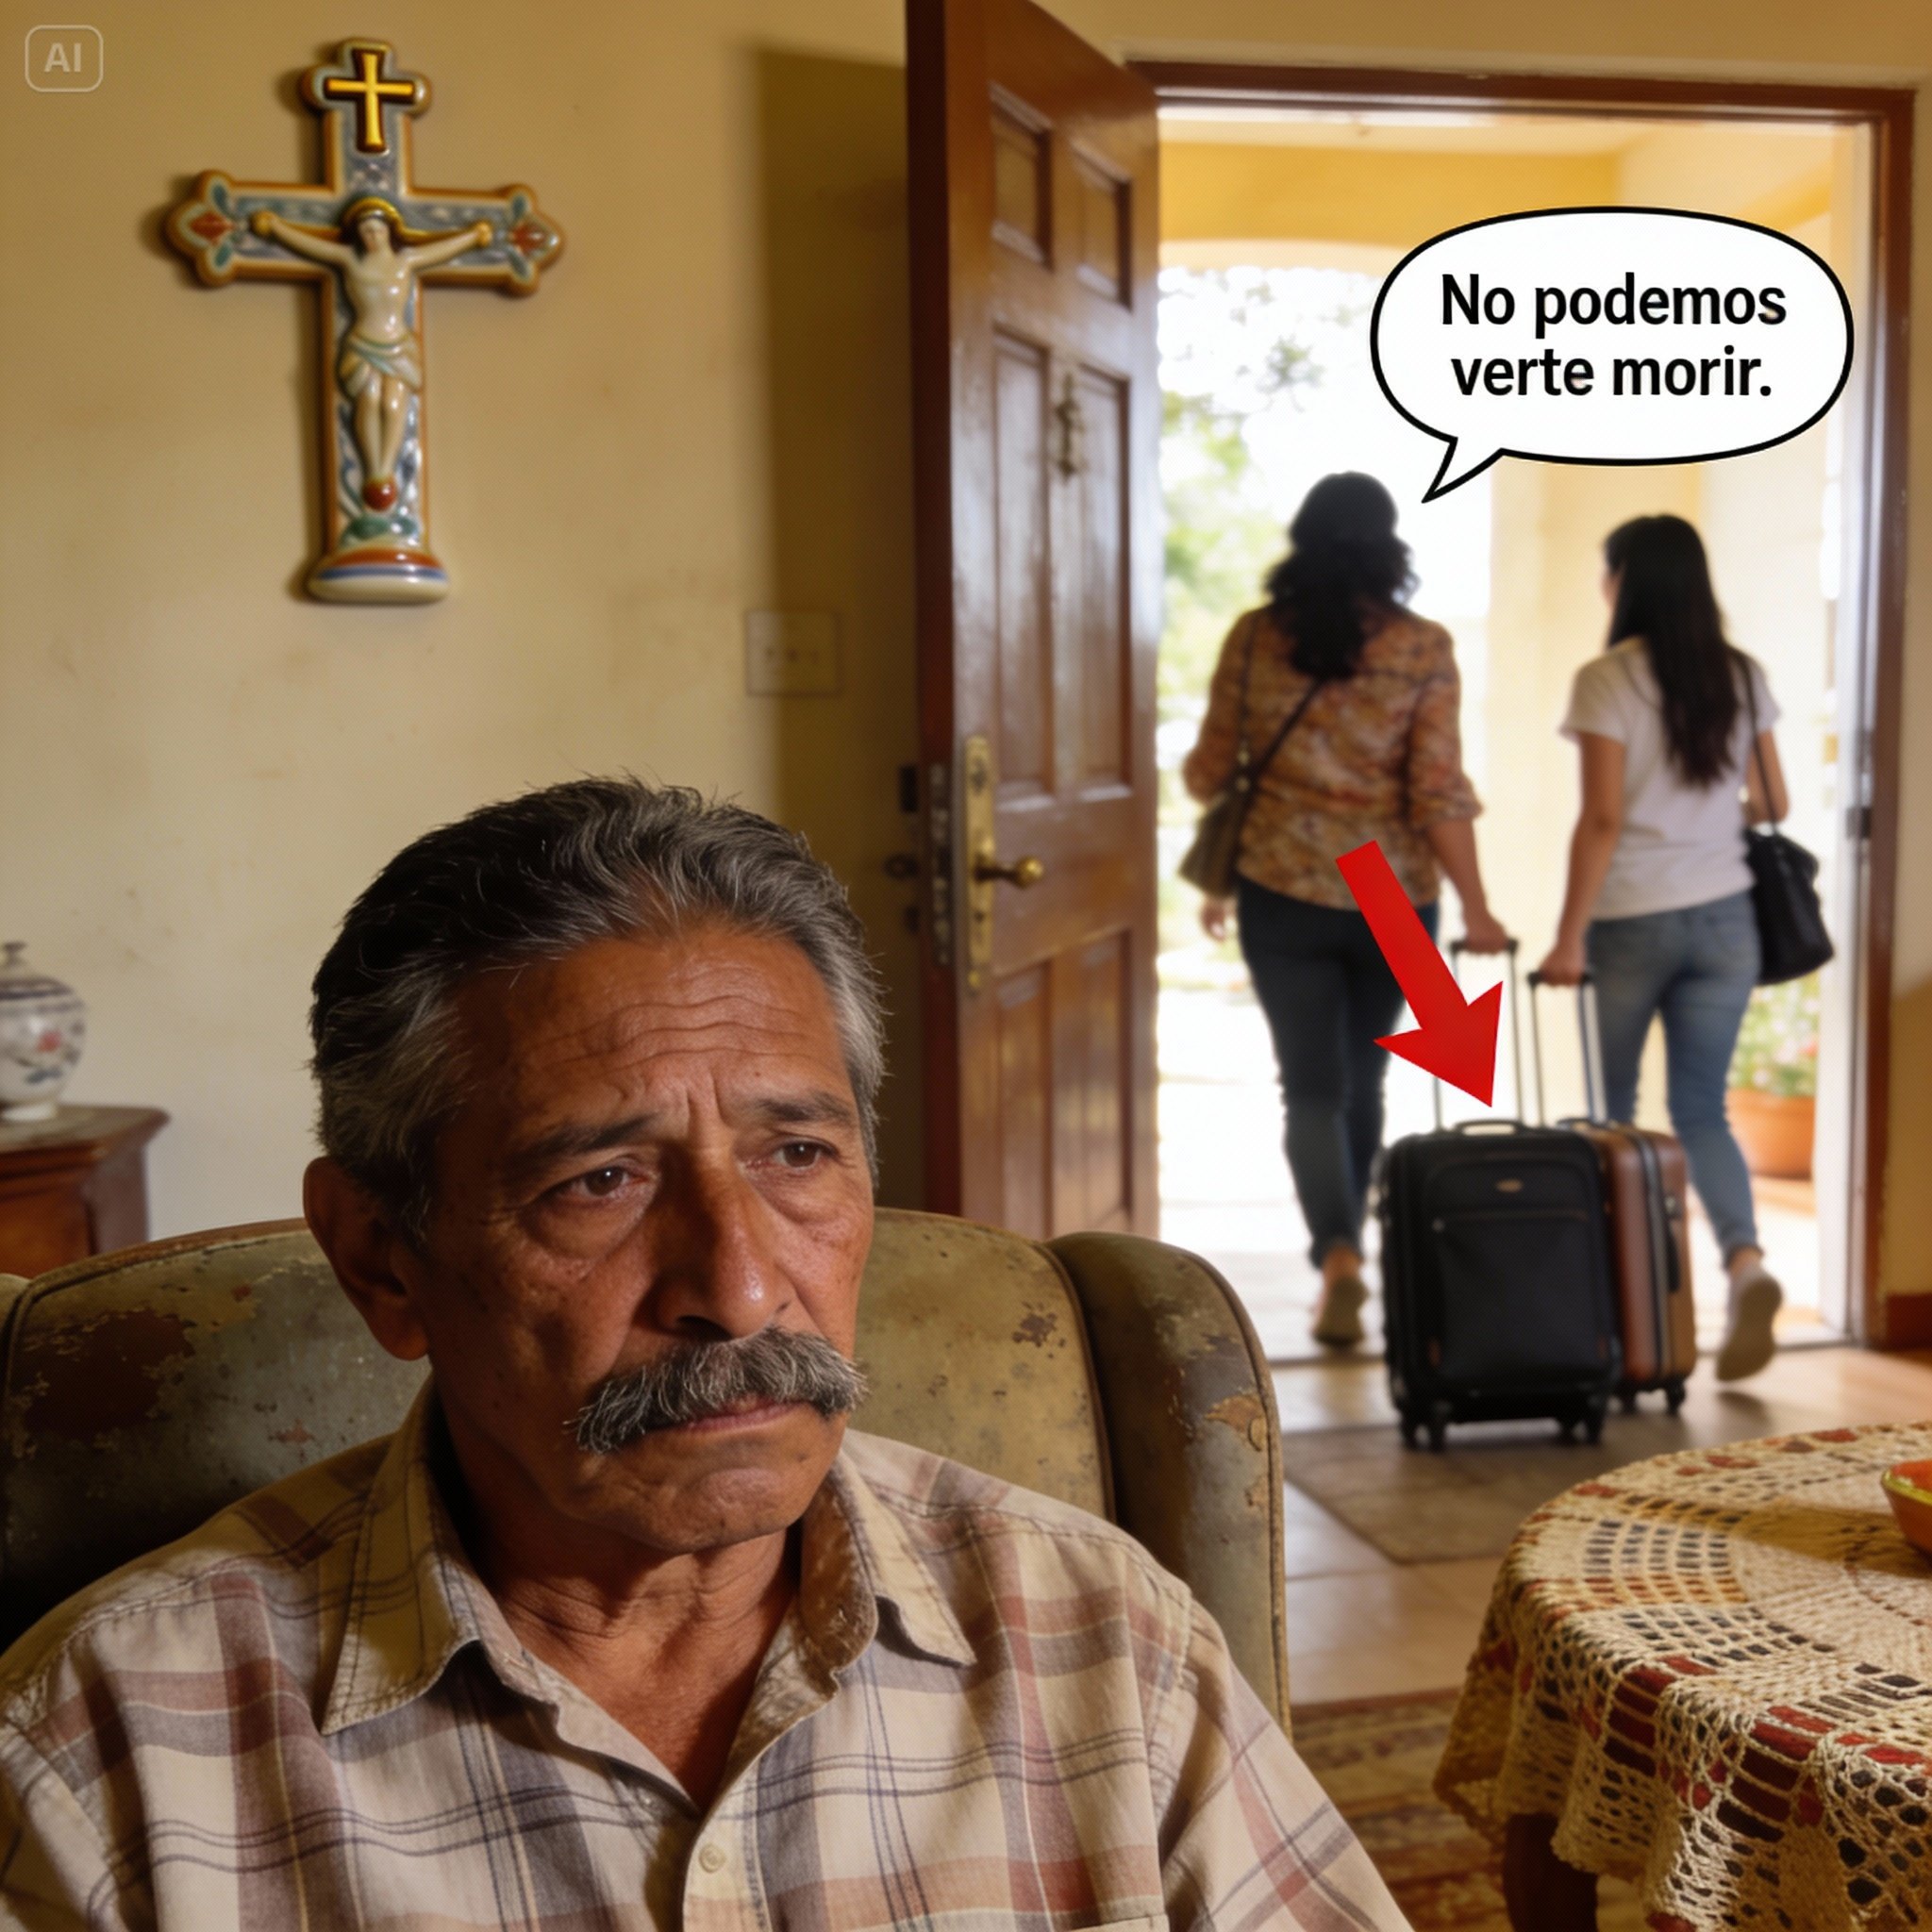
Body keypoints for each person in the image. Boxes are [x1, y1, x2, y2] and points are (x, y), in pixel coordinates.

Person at [0, 778, 1408, 1929]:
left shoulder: (1100, 1635)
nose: (738, 1291)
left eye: (796, 1154)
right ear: (382, 1257)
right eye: (599, 1182)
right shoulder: (111, 1755)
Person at [1184, 473, 1507, 1349]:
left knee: (1311, 1089)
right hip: (1389, 891)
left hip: (1281, 881)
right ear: (1387, 545)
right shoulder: (1421, 646)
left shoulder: (1256, 638)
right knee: (1367, 1080)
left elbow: (1210, 771)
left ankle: (1337, 1255)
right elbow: (1437, 789)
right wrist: (1478, 909)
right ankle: (1350, 1247)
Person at [1537, 514, 1789, 1382]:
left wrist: (1567, 938)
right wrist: (1707, 821)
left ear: (1624, 581)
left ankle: (1628, 1308)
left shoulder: (1606, 679)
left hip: (1632, 919)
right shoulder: (1741, 673)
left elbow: (1603, 819)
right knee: (1702, 1111)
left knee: (1614, 1117)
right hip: (1727, 918)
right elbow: (1773, 801)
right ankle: (1745, 1263)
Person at [251, 197, 493, 507]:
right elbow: (314, 248)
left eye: (378, 230)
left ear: (389, 232)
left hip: (397, 345)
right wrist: (276, 229)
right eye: (366, 231)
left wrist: (473, 237)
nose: (372, 237)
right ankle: (372, 471)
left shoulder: (405, 261)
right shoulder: (350, 261)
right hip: (363, 343)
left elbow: (441, 250)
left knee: (392, 405)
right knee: (369, 401)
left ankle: (385, 471)